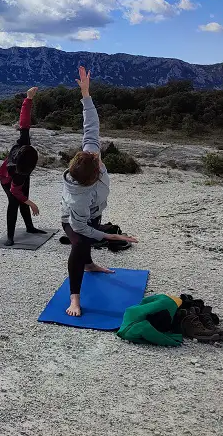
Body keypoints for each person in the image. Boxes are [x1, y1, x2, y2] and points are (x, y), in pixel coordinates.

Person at [61, 67, 138, 317]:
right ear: (92, 178)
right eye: (99, 165)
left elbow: (91, 125)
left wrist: (86, 94)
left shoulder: (91, 157)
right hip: (74, 221)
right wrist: (111, 237)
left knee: (92, 237)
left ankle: (91, 265)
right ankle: (74, 298)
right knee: (79, 245)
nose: (101, 161)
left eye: (98, 159)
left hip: (93, 211)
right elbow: (81, 226)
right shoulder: (78, 197)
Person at [0, 86, 46, 246]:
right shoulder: (15, 172)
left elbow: (24, 123)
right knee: (14, 202)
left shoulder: (24, 146)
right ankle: (10, 237)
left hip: (22, 172)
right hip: (7, 179)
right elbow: (15, 191)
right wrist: (31, 203)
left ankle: (30, 227)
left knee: (24, 198)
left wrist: (28, 99)